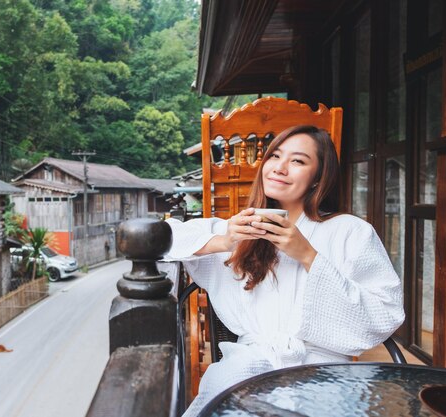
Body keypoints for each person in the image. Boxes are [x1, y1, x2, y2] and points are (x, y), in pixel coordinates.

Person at [165, 125, 405, 416]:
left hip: (325, 376)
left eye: (298, 161)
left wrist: (308, 255)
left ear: (318, 178)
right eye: (275, 156)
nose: (280, 168)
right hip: (249, 367)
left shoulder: (350, 232)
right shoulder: (243, 229)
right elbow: (161, 238)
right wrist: (224, 239)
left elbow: (384, 313)